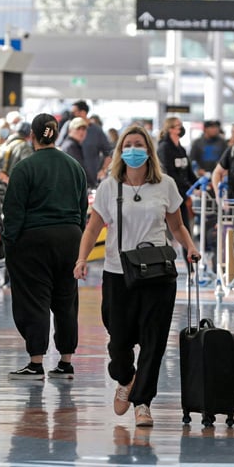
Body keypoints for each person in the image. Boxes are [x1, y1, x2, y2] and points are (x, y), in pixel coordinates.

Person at [74, 125, 201, 428]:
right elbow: (93, 228)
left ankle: (143, 402)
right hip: (118, 273)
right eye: (127, 144)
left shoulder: (166, 185)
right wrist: (81, 258)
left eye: (138, 144)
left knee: (153, 341)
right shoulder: (109, 187)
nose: (133, 149)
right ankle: (125, 377)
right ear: (120, 151)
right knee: (118, 340)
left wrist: (191, 248)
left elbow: (177, 226)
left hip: (158, 274)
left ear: (149, 151)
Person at [2, 114, 89, 379]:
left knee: (34, 300)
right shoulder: (74, 167)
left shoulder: (24, 168)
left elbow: (13, 211)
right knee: (66, 299)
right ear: (57, 132)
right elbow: (82, 208)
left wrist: (10, 245)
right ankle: (65, 362)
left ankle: (36, 362)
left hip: (34, 242)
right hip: (71, 238)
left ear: (32, 136)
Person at [156, 115, 197, 229]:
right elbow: (169, 172)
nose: (182, 128)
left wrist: (197, 185)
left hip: (182, 194)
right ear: (170, 129)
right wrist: (190, 187)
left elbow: (188, 171)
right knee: (172, 227)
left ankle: (187, 247)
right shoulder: (164, 148)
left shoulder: (181, 149)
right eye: (179, 126)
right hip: (170, 193)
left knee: (183, 225)